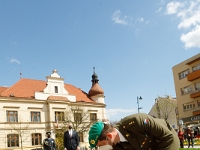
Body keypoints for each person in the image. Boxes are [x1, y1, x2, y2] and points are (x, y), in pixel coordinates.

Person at [88, 113, 180, 150]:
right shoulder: (116, 146)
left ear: (109, 136)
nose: (100, 148)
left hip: (168, 142)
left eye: (100, 145)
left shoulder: (137, 122)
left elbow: (168, 137)